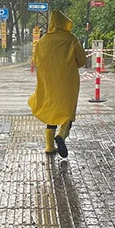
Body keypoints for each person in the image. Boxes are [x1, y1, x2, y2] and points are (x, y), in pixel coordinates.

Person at [28, 10, 88, 158]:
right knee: (67, 113)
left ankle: (49, 146)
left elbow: (36, 60)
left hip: (49, 82)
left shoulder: (43, 41)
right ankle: (61, 136)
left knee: (51, 113)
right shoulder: (71, 39)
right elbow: (82, 60)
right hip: (68, 83)